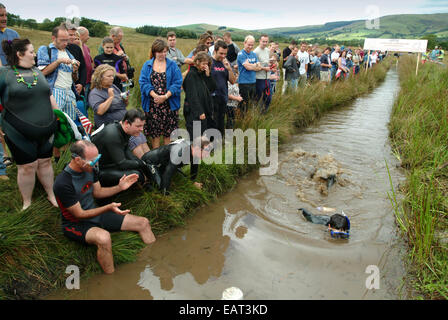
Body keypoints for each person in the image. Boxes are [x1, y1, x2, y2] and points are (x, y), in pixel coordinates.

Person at [53, 140, 156, 274]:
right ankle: (111, 278)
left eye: (98, 158)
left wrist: (120, 187)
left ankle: (154, 262)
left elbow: (98, 192)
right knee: (104, 238)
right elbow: (79, 214)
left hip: (96, 214)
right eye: (92, 161)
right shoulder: (63, 183)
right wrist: (108, 207)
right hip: (76, 224)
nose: (96, 163)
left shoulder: (90, 169)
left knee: (143, 223)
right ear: (77, 160)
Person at [0, 38, 60, 210]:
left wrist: (60, 116)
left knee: (45, 162)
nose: (35, 55)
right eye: (31, 51)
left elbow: (48, 95)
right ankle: (27, 202)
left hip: (47, 128)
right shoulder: (4, 74)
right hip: (18, 130)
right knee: (26, 167)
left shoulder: (37, 72)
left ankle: (51, 194)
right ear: (20, 54)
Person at [90, 109, 159, 188]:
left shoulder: (124, 129)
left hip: (110, 162)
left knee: (140, 165)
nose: (141, 129)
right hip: (99, 171)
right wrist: (141, 164)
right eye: (138, 126)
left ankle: (149, 182)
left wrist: (140, 163)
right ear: (127, 123)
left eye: (142, 125)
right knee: (137, 174)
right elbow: (121, 163)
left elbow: (127, 151)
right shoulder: (113, 134)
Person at [139, 39, 183, 149]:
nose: (163, 54)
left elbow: (177, 83)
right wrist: (155, 96)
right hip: (153, 105)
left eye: (165, 52)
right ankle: (156, 160)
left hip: (170, 104)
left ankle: (167, 160)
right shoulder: (147, 65)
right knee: (155, 135)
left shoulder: (172, 65)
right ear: (154, 52)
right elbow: (143, 82)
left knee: (169, 135)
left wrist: (165, 96)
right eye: (160, 52)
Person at [37, 25, 80, 123]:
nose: (65, 43)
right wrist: (58, 61)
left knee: (70, 123)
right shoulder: (46, 50)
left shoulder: (69, 54)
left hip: (69, 91)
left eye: (67, 40)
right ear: (54, 38)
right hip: (55, 91)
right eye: (62, 40)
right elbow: (42, 73)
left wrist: (75, 70)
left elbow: (74, 79)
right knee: (55, 121)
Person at [142, 136, 212, 194]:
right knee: (160, 188)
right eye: (206, 152)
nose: (208, 155)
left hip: (165, 164)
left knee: (185, 180)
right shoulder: (179, 153)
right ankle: (145, 184)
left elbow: (194, 167)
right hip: (151, 162)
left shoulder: (194, 150)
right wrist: (165, 195)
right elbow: (168, 173)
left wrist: (192, 182)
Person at [183, 52, 216, 140]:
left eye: (207, 64)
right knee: (195, 138)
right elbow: (192, 95)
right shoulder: (191, 75)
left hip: (204, 111)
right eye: (203, 63)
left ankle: (202, 152)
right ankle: (194, 153)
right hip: (194, 113)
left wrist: (208, 75)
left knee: (203, 137)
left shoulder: (203, 74)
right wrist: (199, 111)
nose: (205, 66)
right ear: (197, 62)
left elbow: (212, 88)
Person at [211, 40, 236, 136]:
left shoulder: (226, 63)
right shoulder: (209, 62)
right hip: (211, 97)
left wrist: (229, 69)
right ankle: (210, 143)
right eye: (221, 53)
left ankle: (219, 142)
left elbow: (233, 81)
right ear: (215, 51)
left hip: (223, 96)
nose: (223, 56)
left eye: (225, 54)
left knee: (221, 120)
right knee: (213, 121)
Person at [237, 35, 261, 113]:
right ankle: (242, 121)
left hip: (253, 82)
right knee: (243, 105)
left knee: (251, 103)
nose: (250, 47)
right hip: (244, 83)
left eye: (252, 45)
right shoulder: (241, 54)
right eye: (249, 44)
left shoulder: (253, 54)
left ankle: (248, 119)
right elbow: (248, 68)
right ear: (244, 43)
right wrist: (254, 65)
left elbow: (259, 67)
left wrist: (251, 65)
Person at [254, 35, 272, 113]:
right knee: (257, 98)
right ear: (259, 41)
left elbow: (267, 62)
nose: (265, 43)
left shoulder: (267, 50)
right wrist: (265, 68)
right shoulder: (255, 52)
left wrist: (270, 64)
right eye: (263, 41)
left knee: (268, 97)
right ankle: (256, 113)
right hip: (258, 78)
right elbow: (255, 66)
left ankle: (264, 112)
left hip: (267, 78)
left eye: (266, 41)